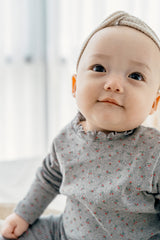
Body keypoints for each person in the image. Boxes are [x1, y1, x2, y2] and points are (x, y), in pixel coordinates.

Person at [1, 10, 160, 240]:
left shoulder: (153, 151)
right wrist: (22, 215)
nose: (113, 84)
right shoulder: (66, 140)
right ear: (75, 85)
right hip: (64, 231)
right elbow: (48, 179)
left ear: (154, 102)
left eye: (135, 76)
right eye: (99, 69)